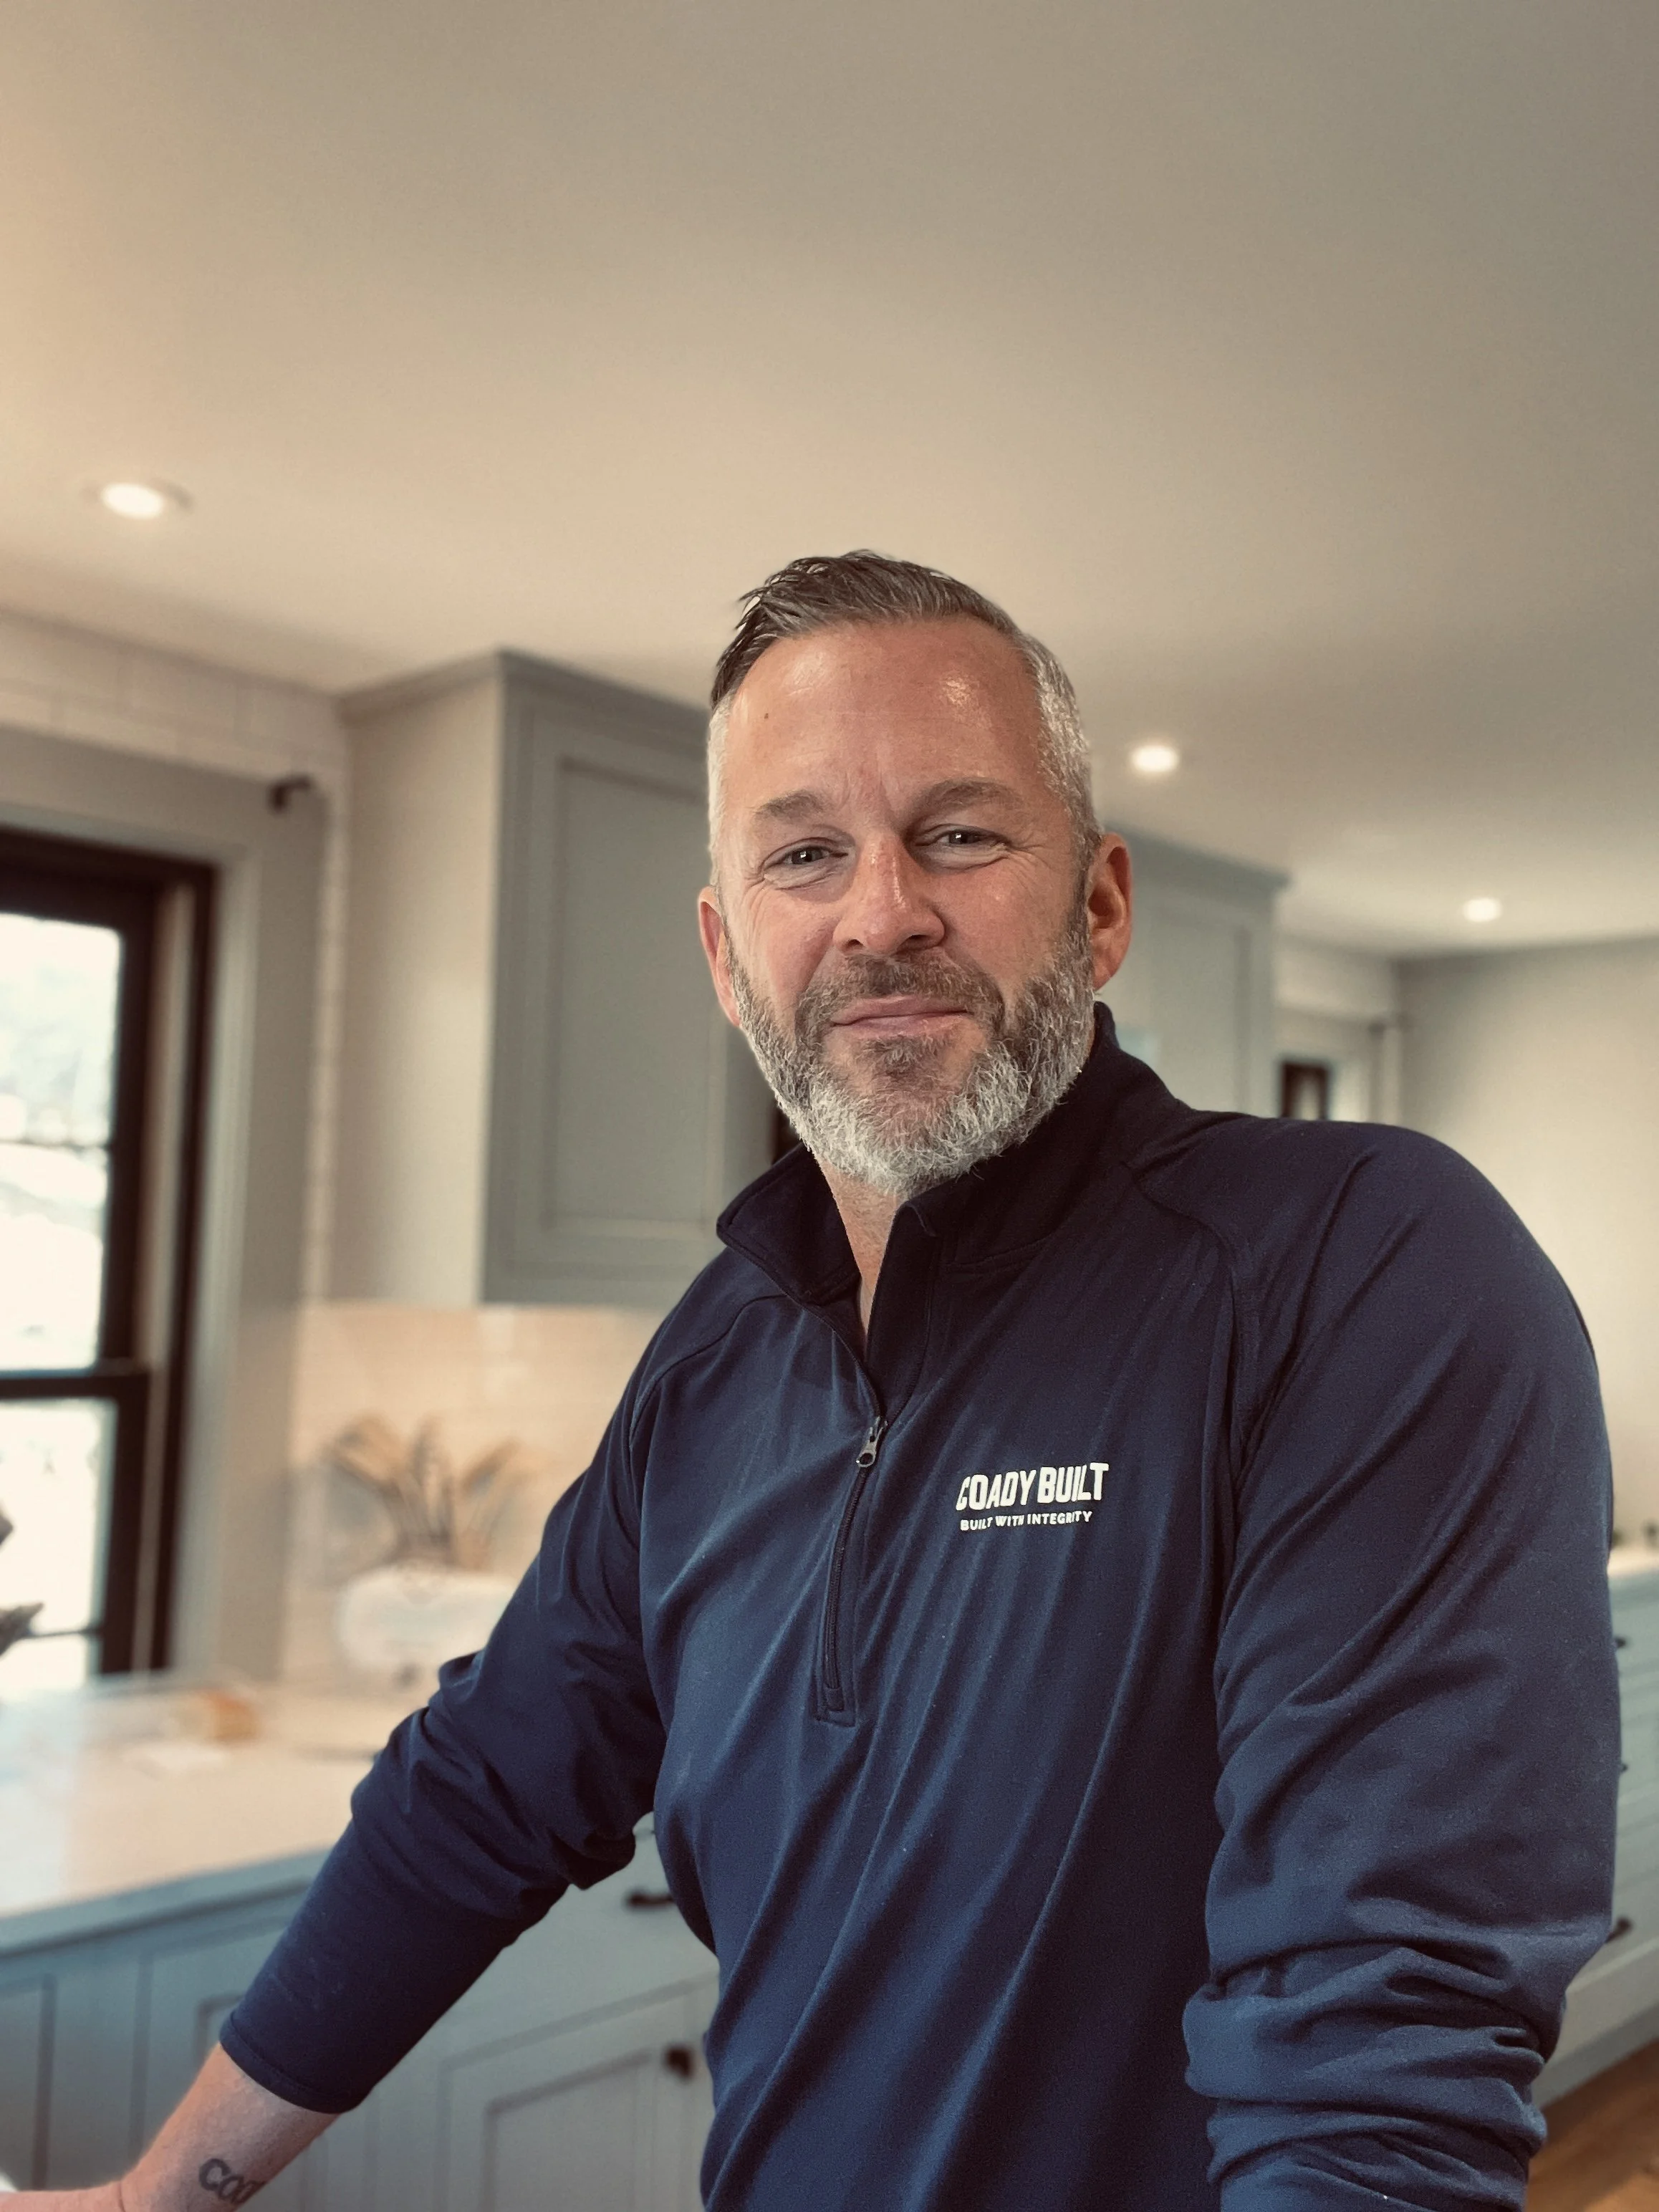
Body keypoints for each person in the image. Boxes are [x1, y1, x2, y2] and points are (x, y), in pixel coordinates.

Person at [29, 552, 1618, 2211]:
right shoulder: (720, 1353)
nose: (881, 913)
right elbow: (478, 1792)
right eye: (805, 853)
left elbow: (1374, 2062)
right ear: (728, 955)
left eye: (960, 832)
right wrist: (159, 2194)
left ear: (1099, 904)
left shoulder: (1358, 1265)